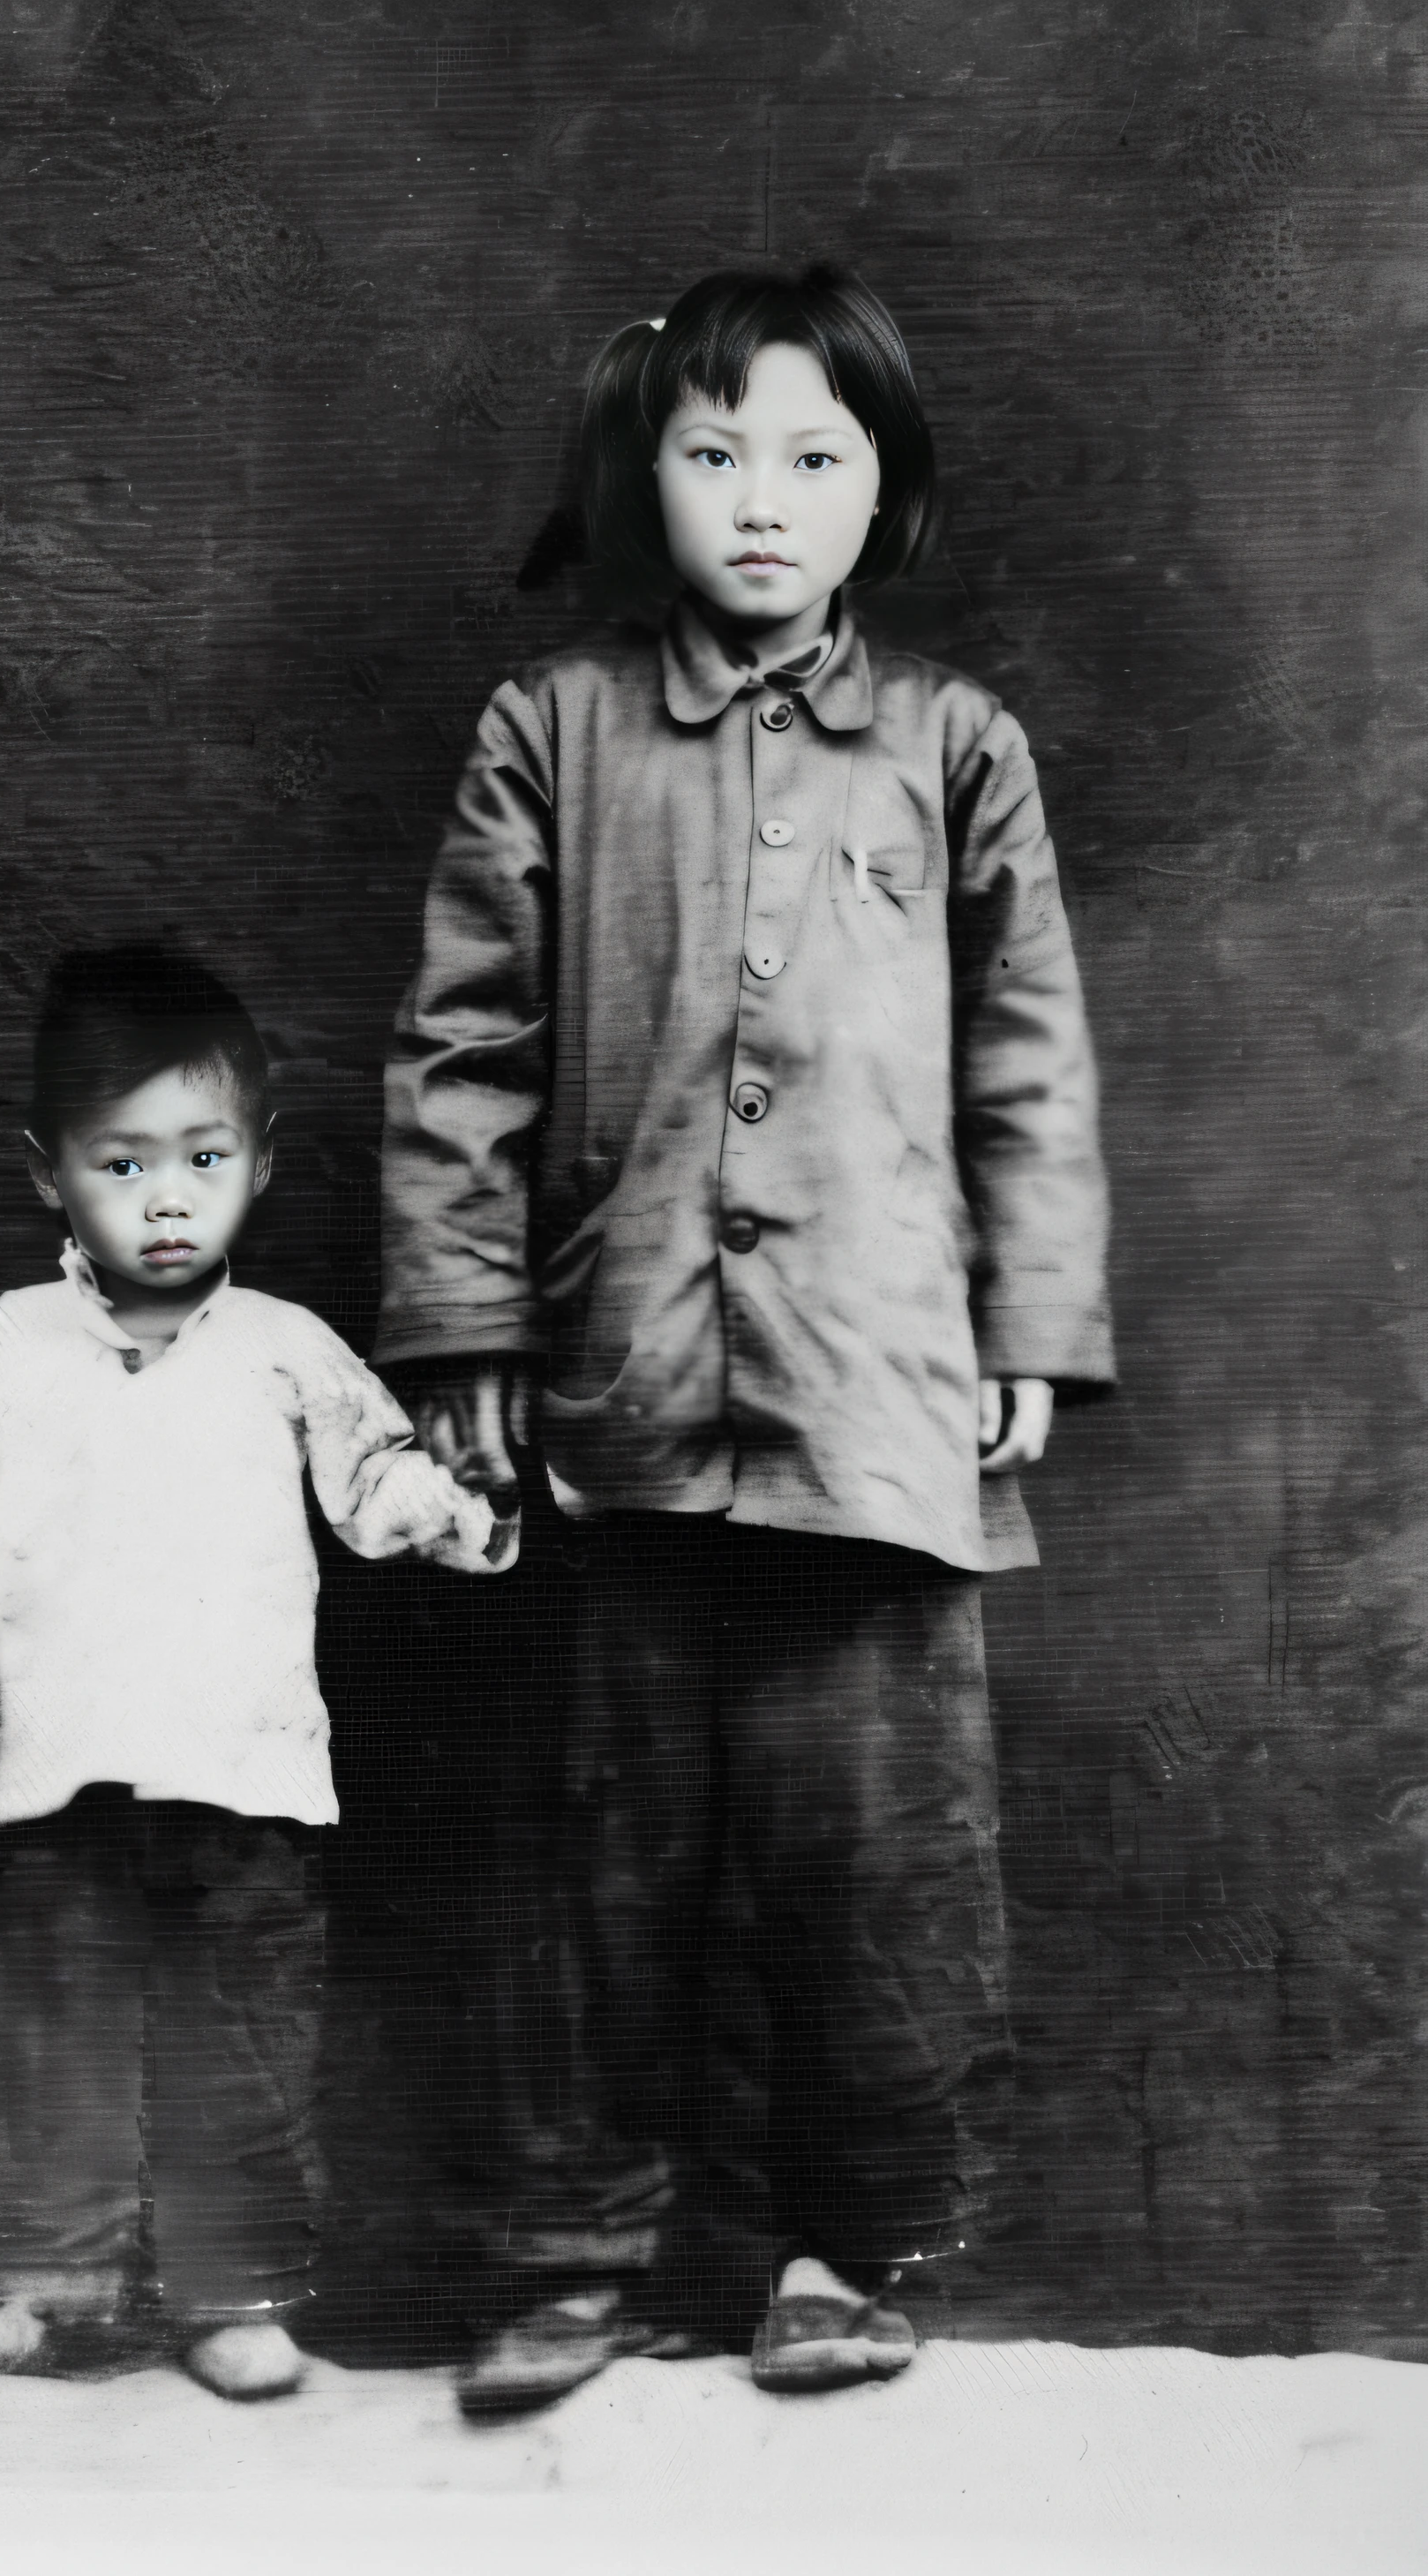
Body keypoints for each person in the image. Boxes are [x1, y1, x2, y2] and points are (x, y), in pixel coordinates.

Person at [376, 265, 1114, 2410]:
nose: (762, 503)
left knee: (868, 1856)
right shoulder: (554, 729)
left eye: (814, 457)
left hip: (876, 1392)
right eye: (715, 456)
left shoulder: (959, 748)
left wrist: (1029, 1321)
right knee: (605, 1845)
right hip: (624, 1378)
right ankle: (570, 2251)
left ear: (880, 495)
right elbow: (461, 1050)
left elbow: (1028, 1064)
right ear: (647, 480)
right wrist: (462, 1323)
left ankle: (836, 2246)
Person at [0, 946, 508, 2399]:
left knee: (244, 2037)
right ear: (52, 1175)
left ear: (258, 1163)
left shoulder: (286, 1350)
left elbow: (378, 1484)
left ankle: (235, 2295)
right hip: (64, 1770)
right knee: (57, 2029)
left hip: (244, 1769)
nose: (166, 1198)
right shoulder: (15, 1344)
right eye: (123, 1161)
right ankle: (47, 2282)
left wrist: (461, 1508)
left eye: (203, 1157)